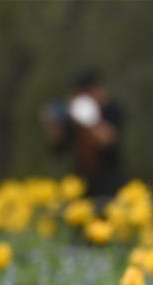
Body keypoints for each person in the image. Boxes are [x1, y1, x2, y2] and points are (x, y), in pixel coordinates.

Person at [42, 67, 126, 198]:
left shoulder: (111, 110)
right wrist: (54, 124)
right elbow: (59, 147)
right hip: (81, 182)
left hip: (110, 182)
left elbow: (108, 139)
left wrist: (87, 117)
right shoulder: (73, 116)